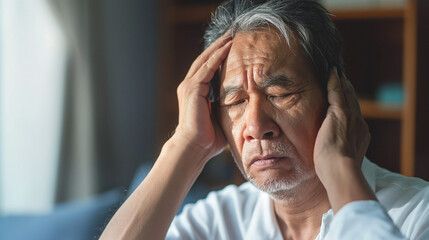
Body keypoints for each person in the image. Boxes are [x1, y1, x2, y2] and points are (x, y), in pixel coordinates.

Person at [100, 0, 429, 239]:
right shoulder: (222, 219)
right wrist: (186, 144)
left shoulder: (417, 214)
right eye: (236, 101)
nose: (256, 126)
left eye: (280, 94)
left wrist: (341, 169)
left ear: (338, 97)